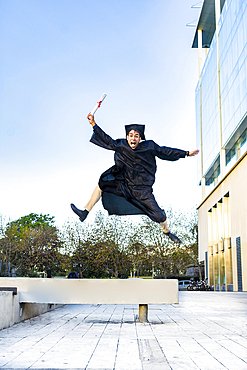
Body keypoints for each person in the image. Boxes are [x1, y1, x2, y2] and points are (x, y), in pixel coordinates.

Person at [71, 113, 199, 243]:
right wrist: (93, 124)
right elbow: (107, 139)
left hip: (143, 190)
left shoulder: (149, 147)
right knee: (103, 183)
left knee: (159, 216)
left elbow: (165, 151)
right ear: (127, 137)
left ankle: (167, 232)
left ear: (140, 139)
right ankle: (85, 212)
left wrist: (186, 153)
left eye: (136, 136)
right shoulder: (121, 145)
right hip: (125, 185)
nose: (133, 138)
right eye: (131, 135)